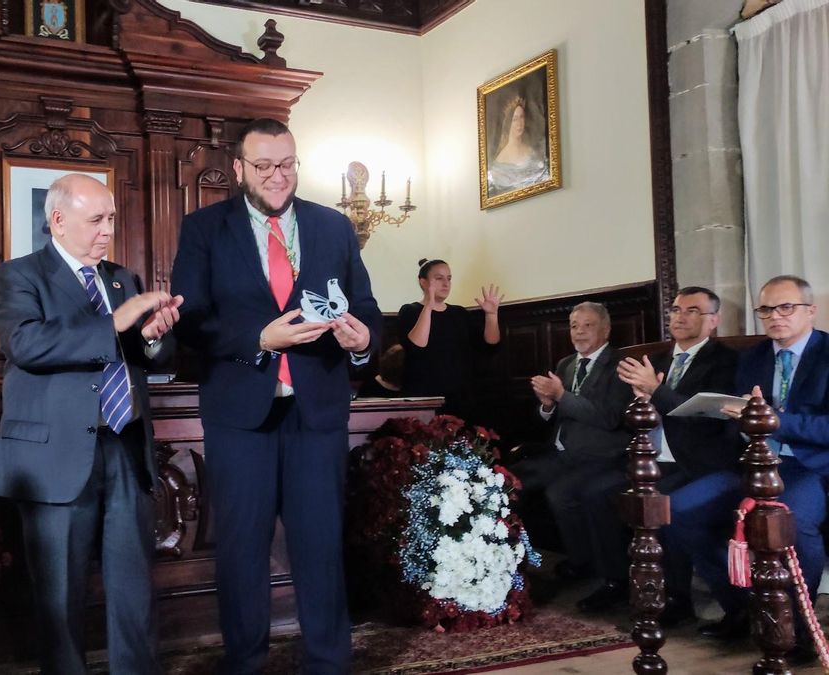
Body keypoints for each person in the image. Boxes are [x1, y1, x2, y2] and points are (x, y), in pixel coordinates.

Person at [170, 117, 381, 674]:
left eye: (286, 164)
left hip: (318, 413)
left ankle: (329, 664)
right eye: (263, 166)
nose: (277, 176)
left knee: (320, 546)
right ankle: (245, 664)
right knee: (241, 551)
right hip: (241, 416)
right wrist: (259, 338)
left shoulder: (334, 227)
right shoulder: (203, 229)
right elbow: (189, 322)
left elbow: (366, 306)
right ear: (238, 169)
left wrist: (363, 340)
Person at [0, 174, 182, 675]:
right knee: (59, 597)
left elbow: (146, 358)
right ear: (58, 220)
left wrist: (154, 336)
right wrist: (116, 323)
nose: (106, 231)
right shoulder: (18, 276)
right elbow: (27, 346)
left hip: (124, 446)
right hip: (55, 459)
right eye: (96, 220)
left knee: (133, 588)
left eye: (111, 219)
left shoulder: (123, 279)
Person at [668, 275, 829, 664]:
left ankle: (798, 627)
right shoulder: (755, 357)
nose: (775, 317)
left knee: (788, 520)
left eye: (786, 307)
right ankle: (741, 607)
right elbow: (740, 413)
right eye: (766, 309)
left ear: (810, 310)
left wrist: (773, 419)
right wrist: (731, 413)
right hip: (753, 462)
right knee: (677, 513)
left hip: (811, 466)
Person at [568, 287, 739, 617]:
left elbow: (706, 417)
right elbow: (631, 415)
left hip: (695, 462)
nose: (680, 317)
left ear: (713, 320)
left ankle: (677, 597)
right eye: (675, 310)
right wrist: (644, 404)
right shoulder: (657, 360)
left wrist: (657, 392)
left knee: (661, 504)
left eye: (692, 311)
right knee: (596, 493)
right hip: (648, 458)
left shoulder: (724, 361)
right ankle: (616, 582)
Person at [511, 301, 633, 582]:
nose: (579, 333)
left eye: (587, 326)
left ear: (606, 329)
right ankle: (513, 562)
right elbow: (549, 418)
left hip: (600, 456)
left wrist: (561, 396)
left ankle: (582, 563)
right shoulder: (566, 364)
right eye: (574, 326)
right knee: (508, 482)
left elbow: (609, 417)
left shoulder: (619, 366)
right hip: (560, 454)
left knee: (560, 493)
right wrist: (547, 405)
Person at [397, 258, 500, 418]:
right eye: (439, 278)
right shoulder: (409, 311)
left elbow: (490, 347)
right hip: (425, 397)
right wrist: (429, 307)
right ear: (423, 282)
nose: (446, 284)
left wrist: (491, 315)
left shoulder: (459, 313)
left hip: (460, 397)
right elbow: (416, 347)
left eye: (449, 278)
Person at [487, 95, 548, 195]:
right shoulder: (500, 162)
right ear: (508, 123)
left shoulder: (532, 151)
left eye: (521, 117)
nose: (519, 123)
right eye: (515, 119)